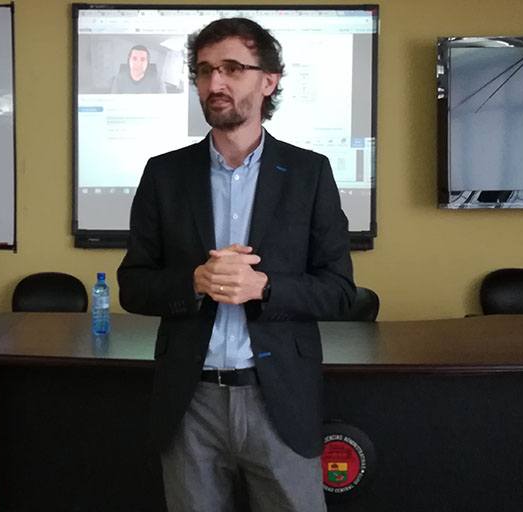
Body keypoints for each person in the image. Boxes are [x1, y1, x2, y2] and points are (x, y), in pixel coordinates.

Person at [117, 18, 355, 511]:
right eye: (205, 71)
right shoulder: (164, 174)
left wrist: (264, 288)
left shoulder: (309, 174)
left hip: (278, 398)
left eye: (232, 69)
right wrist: (193, 282)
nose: (215, 83)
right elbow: (133, 285)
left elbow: (339, 291)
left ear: (269, 81)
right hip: (191, 402)